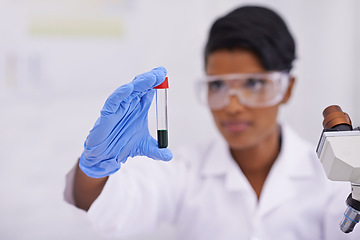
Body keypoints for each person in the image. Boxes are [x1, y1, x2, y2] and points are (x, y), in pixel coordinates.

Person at [64, 5, 360, 239]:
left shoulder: (331, 178)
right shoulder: (183, 169)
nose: (231, 106)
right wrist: (94, 168)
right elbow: (114, 210)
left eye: (254, 83)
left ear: (287, 88)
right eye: (218, 86)